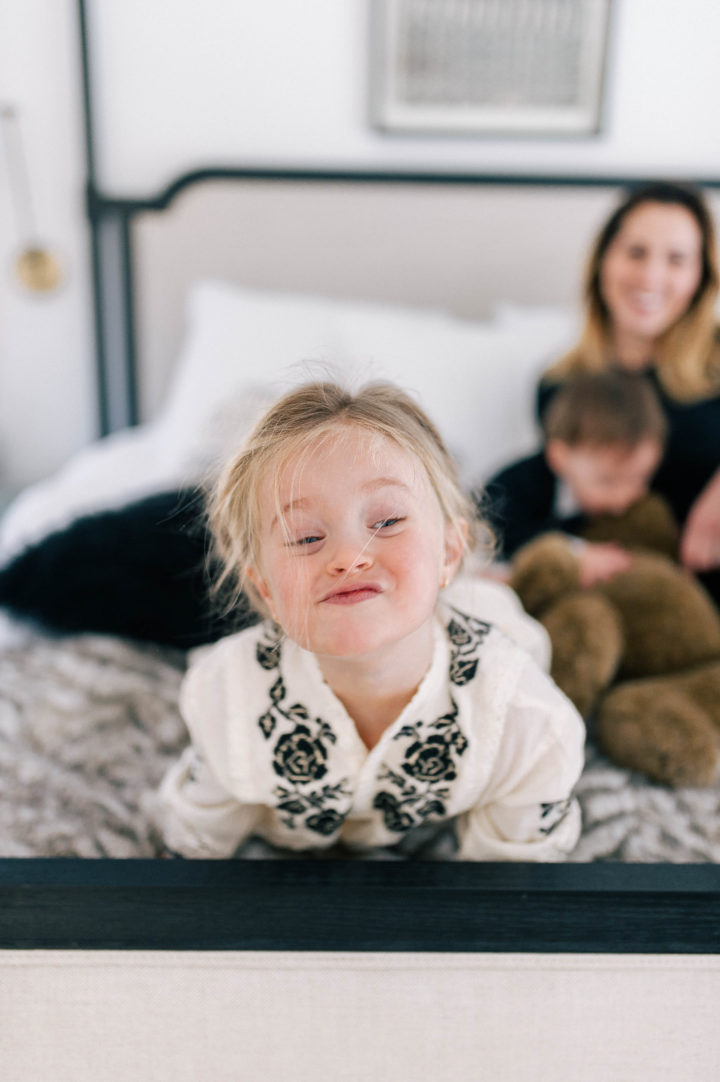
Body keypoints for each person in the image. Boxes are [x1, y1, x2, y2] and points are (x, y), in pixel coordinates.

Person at [156, 380, 584, 861]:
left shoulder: (524, 719)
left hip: (481, 625)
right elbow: (191, 846)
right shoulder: (230, 699)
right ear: (265, 590)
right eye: (304, 538)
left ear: (448, 550)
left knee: (504, 616)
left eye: (385, 522)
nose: (347, 558)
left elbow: (513, 878)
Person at [537, 180, 720, 599]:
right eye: (636, 252)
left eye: (676, 259)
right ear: (603, 260)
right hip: (628, 596)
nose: (651, 276)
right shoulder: (561, 387)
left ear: (700, 276)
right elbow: (552, 506)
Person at [486, 371, 669, 585]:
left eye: (639, 479)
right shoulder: (519, 485)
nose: (623, 496)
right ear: (559, 457)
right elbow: (506, 535)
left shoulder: (627, 505)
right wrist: (577, 554)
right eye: (607, 481)